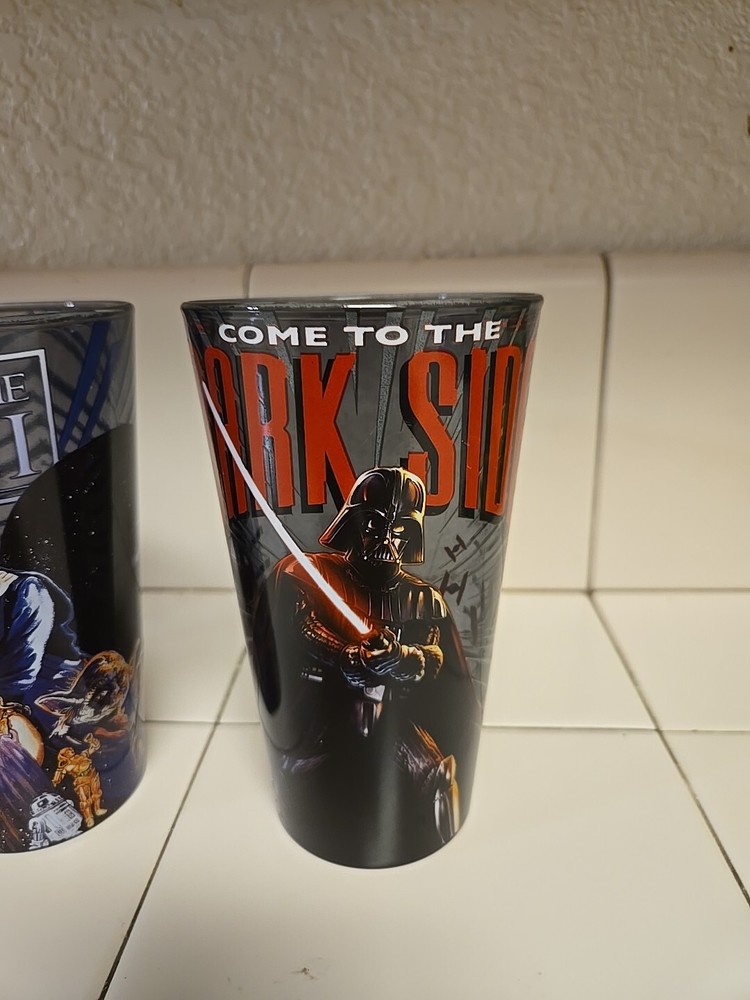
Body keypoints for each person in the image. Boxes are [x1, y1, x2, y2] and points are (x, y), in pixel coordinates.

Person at [254, 467, 481, 866]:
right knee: (297, 780)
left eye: (398, 530)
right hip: (323, 721)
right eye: (375, 525)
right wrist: (348, 655)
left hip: (390, 720)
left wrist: (403, 658)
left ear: (411, 536)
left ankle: (456, 860)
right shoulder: (310, 573)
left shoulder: (424, 600)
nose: (386, 539)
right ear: (353, 525)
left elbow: (434, 656)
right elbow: (303, 627)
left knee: (440, 779)